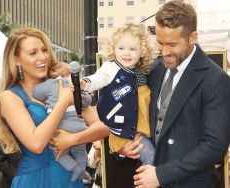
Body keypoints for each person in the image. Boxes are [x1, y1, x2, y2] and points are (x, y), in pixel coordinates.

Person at [0, 27, 108, 188]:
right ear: (16, 59)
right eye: (33, 53)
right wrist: (63, 102)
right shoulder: (10, 97)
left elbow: (103, 128)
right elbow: (36, 144)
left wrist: (73, 139)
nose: (42, 57)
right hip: (35, 180)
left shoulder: (63, 85)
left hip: (69, 179)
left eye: (44, 50)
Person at [133, 1, 230, 188]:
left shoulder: (216, 80)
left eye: (172, 44)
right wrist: (129, 147)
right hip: (147, 179)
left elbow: (214, 147)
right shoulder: (154, 70)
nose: (164, 51)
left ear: (192, 37)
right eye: (160, 43)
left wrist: (161, 174)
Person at [81, 23, 155, 165]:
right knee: (151, 161)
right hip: (125, 133)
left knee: (149, 163)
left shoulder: (141, 72)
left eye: (133, 49)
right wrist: (85, 83)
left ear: (142, 52)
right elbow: (99, 78)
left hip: (140, 131)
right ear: (113, 49)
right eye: (121, 48)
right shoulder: (111, 68)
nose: (126, 53)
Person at [33, 62, 92, 182]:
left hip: (61, 125)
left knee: (60, 154)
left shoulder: (51, 83)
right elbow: (88, 100)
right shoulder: (75, 84)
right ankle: (82, 167)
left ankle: (75, 168)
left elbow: (35, 92)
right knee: (80, 150)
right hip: (78, 124)